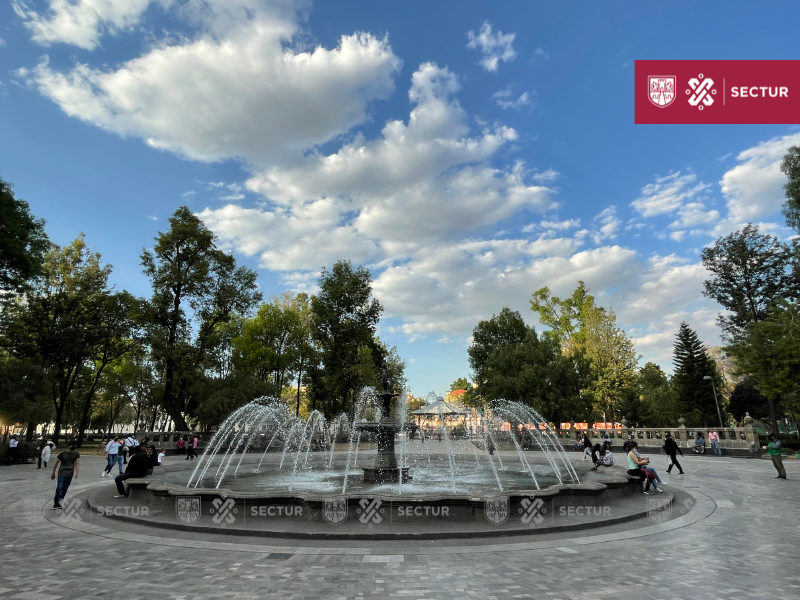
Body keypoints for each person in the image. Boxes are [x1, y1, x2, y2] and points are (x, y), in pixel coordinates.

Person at [50, 443, 80, 509]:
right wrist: (53, 473)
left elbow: (77, 463)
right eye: (72, 445)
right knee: (59, 488)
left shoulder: (76, 454)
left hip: (70, 473)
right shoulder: (62, 454)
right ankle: (56, 502)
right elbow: (56, 464)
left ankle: (60, 502)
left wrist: (77, 472)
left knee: (65, 489)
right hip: (62, 472)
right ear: (69, 446)